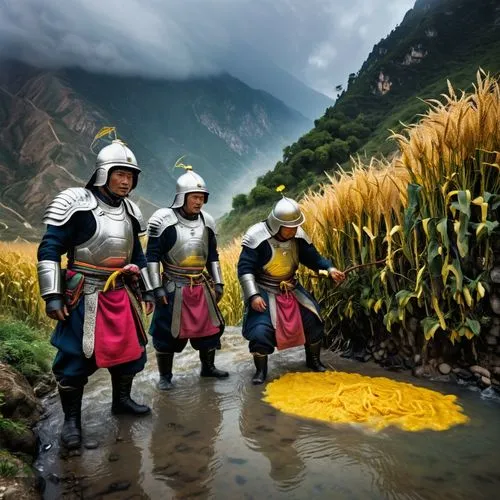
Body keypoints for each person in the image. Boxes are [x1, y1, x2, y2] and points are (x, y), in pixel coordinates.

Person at [36, 139, 155, 450]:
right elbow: (49, 249)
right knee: (75, 358)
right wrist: (52, 295)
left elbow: (137, 255)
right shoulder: (76, 204)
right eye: (120, 174)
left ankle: (122, 401)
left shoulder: (131, 211)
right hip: (84, 296)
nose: (126, 181)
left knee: (129, 353)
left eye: (131, 175)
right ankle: (72, 421)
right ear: (104, 174)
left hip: (122, 294)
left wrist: (147, 290)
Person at [237, 195, 345, 384]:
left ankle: (313, 361)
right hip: (264, 289)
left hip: (291, 288)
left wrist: (330, 269)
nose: (294, 230)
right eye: (290, 227)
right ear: (277, 224)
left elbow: (313, 258)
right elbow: (245, 269)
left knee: (313, 319)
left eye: (296, 226)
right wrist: (253, 295)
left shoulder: (298, 236)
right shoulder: (257, 237)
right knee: (260, 331)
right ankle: (260, 371)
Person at [146, 165, 228, 390]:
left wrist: (218, 282)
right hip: (173, 286)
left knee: (210, 328)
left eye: (202, 197)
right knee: (166, 332)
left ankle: (208, 368)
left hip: (201, 285)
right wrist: (156, 289)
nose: (199, 201)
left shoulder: (207, 222)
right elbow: (151, 257)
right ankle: (165, 376)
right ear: (182, 197)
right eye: (194, 197)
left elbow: (212, 255)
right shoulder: (163, 220)